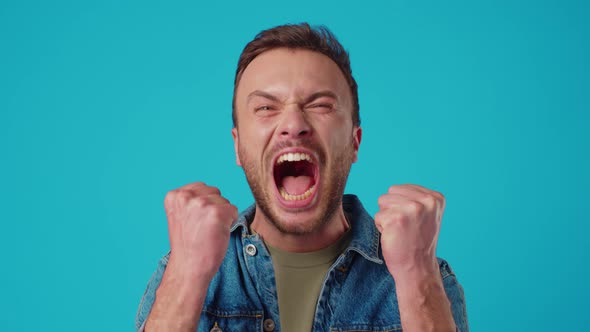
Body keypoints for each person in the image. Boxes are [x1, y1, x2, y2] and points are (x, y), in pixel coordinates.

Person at [136, 23, 468, 332]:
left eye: (321, 105)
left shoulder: (425, 276)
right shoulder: (180, 270)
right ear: (238, 147)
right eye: (266, 108)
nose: (293, 123)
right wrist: (185, 276)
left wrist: (416, 278)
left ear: (354, 142)